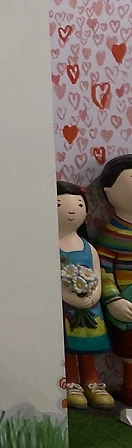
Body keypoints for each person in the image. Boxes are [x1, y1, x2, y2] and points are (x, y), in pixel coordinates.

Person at [58, 180, 114, 409]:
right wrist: (69, 297)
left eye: (79, 205)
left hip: (91, 306)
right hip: (65, 308)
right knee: (69, 344)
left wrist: (94, 295)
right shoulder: (51, 247)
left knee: (88, 344)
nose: (72, 211)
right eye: (60, 205)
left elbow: (98, 274)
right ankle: (71, 380)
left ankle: (92, 380)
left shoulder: (88, 247)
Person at [96, 155, 132, 405]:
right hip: (126, 300)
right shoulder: (113, 233)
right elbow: (104, 269)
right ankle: (129, 385)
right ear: (109, 191)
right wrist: (113, 299)